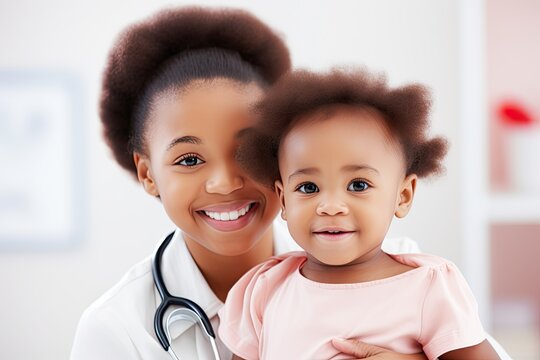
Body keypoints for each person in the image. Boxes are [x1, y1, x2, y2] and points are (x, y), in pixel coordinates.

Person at [70, 6, 429, 360]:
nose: (225, 183)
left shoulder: (404, 274)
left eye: (246, 151)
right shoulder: (115, 330)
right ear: (148, 174)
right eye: (189, 160)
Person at [218, 69, 501, 360]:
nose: (329, 206)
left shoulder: (429, 287)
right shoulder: (265, 290)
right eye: (308, 187)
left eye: (358, 185)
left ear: (402, 196)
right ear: (284, 201)